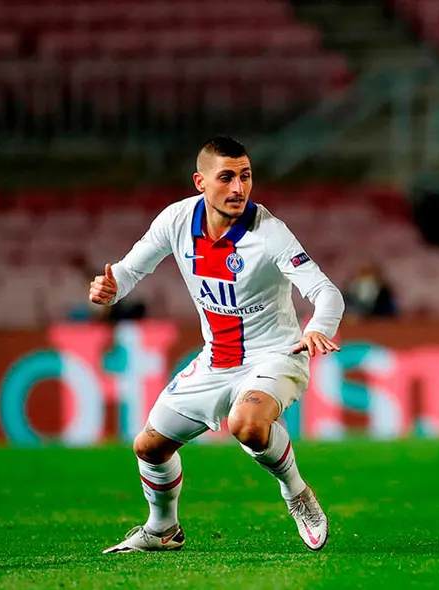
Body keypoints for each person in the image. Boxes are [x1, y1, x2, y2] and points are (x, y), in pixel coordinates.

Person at [90, 137, 345, 553]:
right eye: (226, 177)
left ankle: (297, 493)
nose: (239, 188)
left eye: (245, 176)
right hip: (216, 361)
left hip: (276, 355)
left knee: (245, 425)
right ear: (200, 182)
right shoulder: (176, 221)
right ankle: (162, 529)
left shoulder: (270, 233)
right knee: (149, 447)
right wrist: (111, 288)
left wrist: (319, 326)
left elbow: (326, 291)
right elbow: (128, 271)